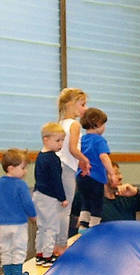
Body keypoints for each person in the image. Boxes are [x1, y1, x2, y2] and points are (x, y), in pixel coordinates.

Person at [0, 148, 37, 275]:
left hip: (2, 224)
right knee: (19, 247)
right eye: (23, 168)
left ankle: (7, 273)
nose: (25, 171)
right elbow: (27, 203)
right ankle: (17, 273)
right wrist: (33, 216)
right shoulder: (20, 184)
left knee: (5, 248)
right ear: (11, 168)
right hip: (18, 223)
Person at [76, 107, 121, 232]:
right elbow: (103, 156)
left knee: (85, 202)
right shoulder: (99, 140)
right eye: (103, 124)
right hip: (95, 177)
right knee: (97, 203)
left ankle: (83, 225)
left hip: (81, 177)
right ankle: (94, 227)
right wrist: (111, 173)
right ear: (97, 124)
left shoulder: (82, 139)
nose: (104, 127)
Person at [57, 88, 90, 252]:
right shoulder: (74, 124)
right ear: (71, 104)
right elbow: (73, 149)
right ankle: (61, 244)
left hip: (57, 168)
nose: (85, 108)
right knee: (65, 208)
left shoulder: (59, 123)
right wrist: (85, 160)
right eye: (82, 104)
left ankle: (53, 244)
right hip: (67, 169)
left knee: (56, 208)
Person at [33, 122, 69, 266]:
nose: (60, 144)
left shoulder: (40, 156)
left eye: (62, 140)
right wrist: (63, 198)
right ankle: (47, 256)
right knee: (51, 226)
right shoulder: (53, 158)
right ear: (45, 139)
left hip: (38, 194)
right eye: (58, 140)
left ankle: (40, 253)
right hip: (49, 196)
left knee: (42, 226)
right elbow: (56, 180)